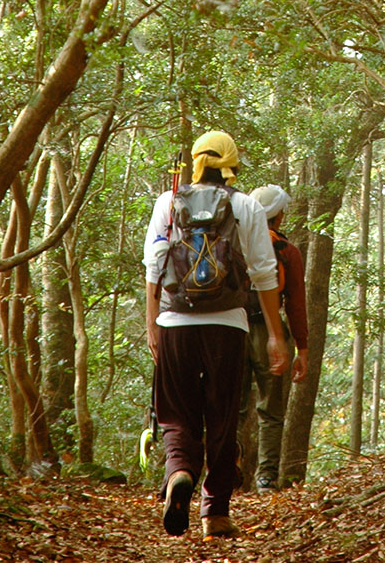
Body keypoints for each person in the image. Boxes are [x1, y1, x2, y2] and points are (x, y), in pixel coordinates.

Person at [143, 131, 288, 540]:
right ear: (232, 165)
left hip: (174, 325)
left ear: (195, 163)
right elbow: (263, 274)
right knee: (222, 417)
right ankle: (215, 512)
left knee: (175, 412)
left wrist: (153, 323)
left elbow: (153, 266)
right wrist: (275, 336)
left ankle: (180, 473)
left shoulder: (168, 202)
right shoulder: (245, 206)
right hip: (228, 326)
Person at [239, 184, 309, 493]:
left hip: (234, 327)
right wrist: (302, 348)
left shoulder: (235, 244)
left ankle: (225, 473)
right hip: (272, 332)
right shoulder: (287, 251)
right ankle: (266, 478)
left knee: (233, 407)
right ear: (278, 215)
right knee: (270, 409)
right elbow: (295, 303)